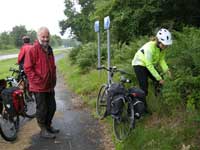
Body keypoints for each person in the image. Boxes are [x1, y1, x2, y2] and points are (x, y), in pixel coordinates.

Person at [24, 27, 59, 139]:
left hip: (49, 85)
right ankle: (43, 130)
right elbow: (28, 68)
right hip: (38, 87)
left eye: (47, 37)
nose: (45, 39)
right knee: (42, 109)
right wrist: (38, 81)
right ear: (38, 37)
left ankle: (48, 126)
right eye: (43, 37)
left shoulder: (49, 49)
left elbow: (52, 66)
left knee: (52, 107)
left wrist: (53, 79)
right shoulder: (33, 50)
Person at [132, 28, 172, 114]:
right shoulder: (149, 48)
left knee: (159, 81)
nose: (166, 46)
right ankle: (142, 109)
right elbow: (149, 65)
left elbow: (161, 60)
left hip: (148, 65)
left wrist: (167, 70)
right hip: (139, 64)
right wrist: (158, 78)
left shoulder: (162, 49)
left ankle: (159, 100)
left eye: (166, 45)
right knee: (144, 88)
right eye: (164, 44)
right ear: (158, 41)